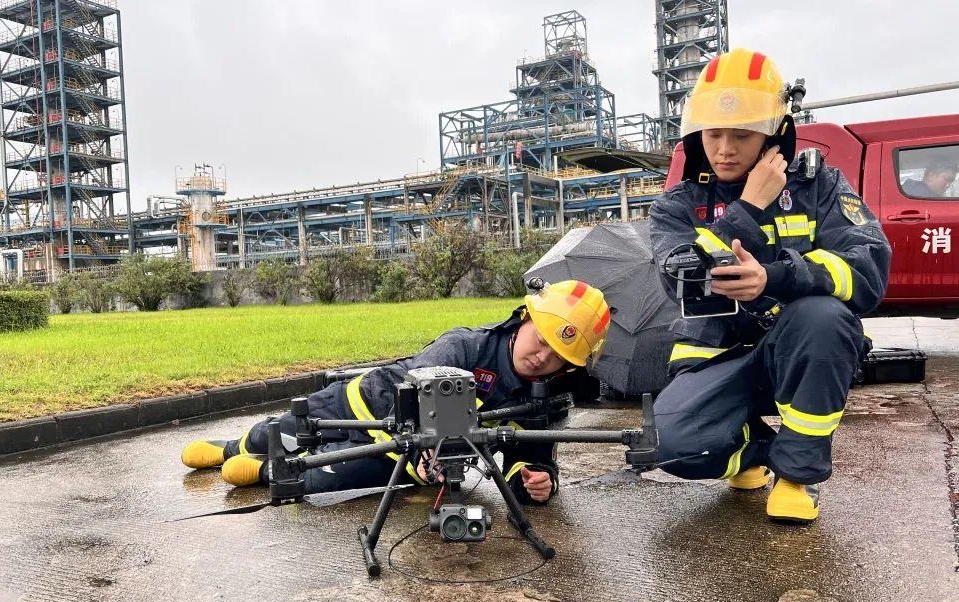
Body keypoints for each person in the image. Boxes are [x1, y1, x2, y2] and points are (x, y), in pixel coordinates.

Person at [647, 49, 892, 523]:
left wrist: (775, 276)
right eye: (713, 133)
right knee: (671, 447)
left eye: (741, 134)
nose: (723, 148)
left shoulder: (819, 187)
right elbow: (680, 277)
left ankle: (796, 477)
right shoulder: (677, 204)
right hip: (715, 355)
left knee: (824, 317)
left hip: (799, 351)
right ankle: (756, 451)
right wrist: (751, 206)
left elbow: (868, 267)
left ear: (775, 133)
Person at [180, 280, 611, 506]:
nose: (543, 357)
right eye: (543, 339)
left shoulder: (541, 400)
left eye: (559, 355)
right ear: (525, 319)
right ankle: (231, 448)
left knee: (312, 481)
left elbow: (531, 458)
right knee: (275, 432)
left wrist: (535, 483)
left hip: (399, 458)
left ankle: (259, 472)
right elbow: (418, 387)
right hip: (358, 404)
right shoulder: (465, 346)